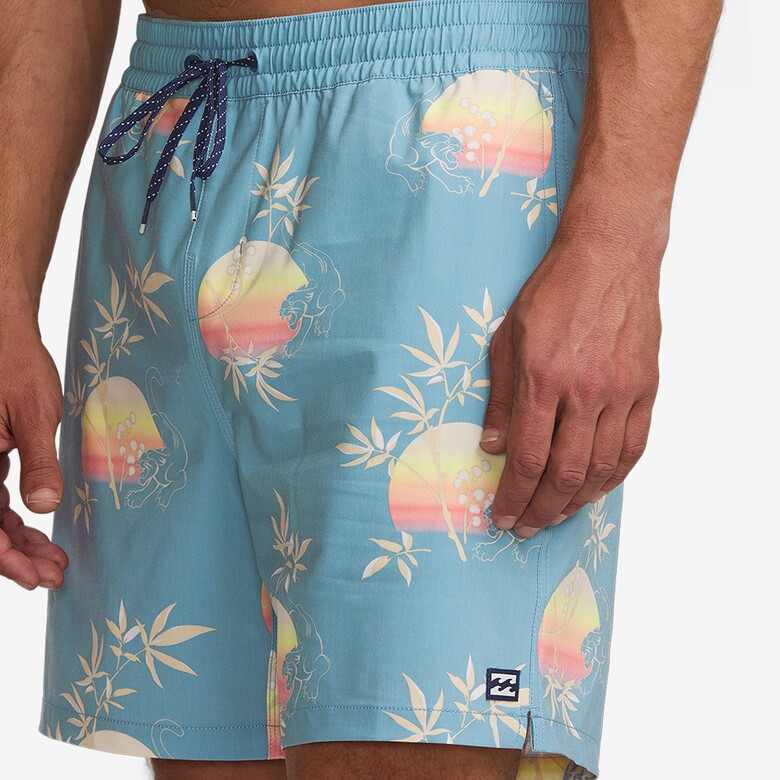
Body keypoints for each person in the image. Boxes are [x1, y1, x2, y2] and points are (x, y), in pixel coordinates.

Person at [0, 0, 723, 778]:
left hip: (456, 142)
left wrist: (614, 243)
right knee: (206, 751)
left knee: (407, 741)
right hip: (171, 147)